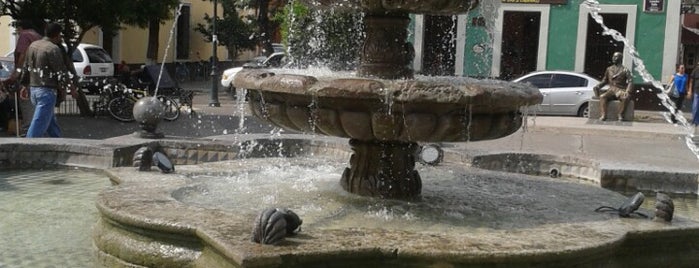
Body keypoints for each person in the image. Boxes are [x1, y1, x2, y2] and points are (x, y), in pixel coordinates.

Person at [19, 22, 74, 138]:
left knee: (50, 122)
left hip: (34, 90)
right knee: (37, 128)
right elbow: (61, 72)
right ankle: (29, 149)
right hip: (46, 92)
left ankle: (59, 143)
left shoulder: (33, 45)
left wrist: (24, 85)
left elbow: (26, 67)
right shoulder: (52, 49)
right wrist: (71, 89)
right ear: (57, 35)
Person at [4, 19, 42, 136]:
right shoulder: (38, 36)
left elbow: (23, 55)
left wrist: (16, 74)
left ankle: (27, 138)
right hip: (39, 79)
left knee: (27, 110)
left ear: (21, 28)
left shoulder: (25, 36)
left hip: (26, 79)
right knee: (37, 110)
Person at [593, 52, 633, 121]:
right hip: (611, 90)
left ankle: (620, 114)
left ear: (620, 58)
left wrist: (628, 91)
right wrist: (598, 86)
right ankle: (603, 115)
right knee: (603, 97)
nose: (613, 58)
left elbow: (630, 81)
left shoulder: (625, 70)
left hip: (620, 90)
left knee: (625, 98)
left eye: (615, 57)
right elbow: (605, 80)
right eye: (613, 57)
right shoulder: (609, 69)